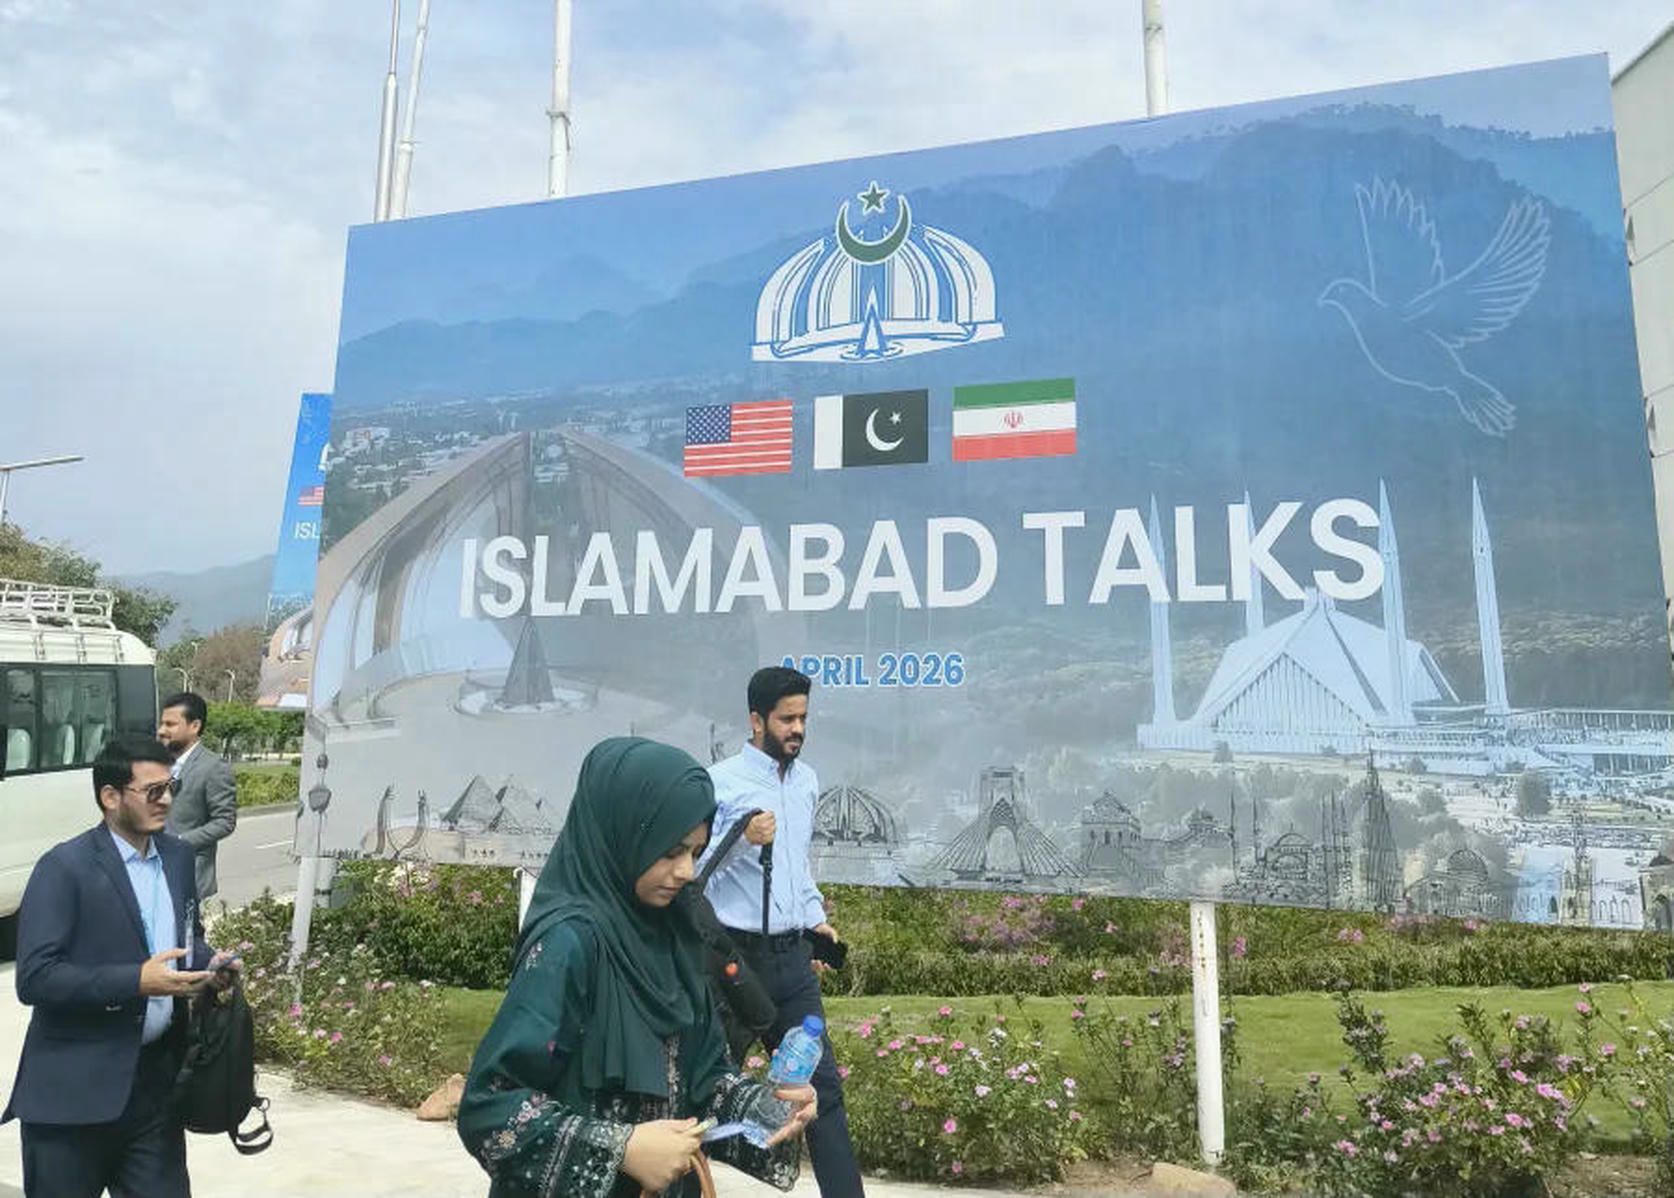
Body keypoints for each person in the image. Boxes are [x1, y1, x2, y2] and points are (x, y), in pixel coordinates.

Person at [458, 737, 815, 1198]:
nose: (687, 871)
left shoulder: (675, 933)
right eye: (670, 852)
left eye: (695, 851)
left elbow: (703, 1076)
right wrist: (619, 1148)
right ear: (623, 837)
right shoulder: (570, 943)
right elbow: (491, 1107)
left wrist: (769, 1111)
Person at [2, 735, 241, 1197]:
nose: (167, 800)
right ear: (110, 797)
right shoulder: (64, 867)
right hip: (72, 1097)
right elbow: (35, 977)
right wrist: (136, 980)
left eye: (170, 786)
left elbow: (184, 938)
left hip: (154, 1094)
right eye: (153, 791)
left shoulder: (177, 858)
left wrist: (210, 963)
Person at [702, 667, 865, 1198]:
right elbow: (691, 870)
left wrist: (814, 915)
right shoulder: (719, 782)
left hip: (793, 964)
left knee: (822, 1092)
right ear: (756, 720)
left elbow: (797, 865)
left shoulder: (807, 781)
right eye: (786, 719)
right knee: (700, 1089)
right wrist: (741, 837)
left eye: (803, 718)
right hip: (732, 962)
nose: (797, 728)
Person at [158, 691, 238, 901]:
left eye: (170, 724)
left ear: (194, 726)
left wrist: (181, 841)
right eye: (162, 723)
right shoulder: (156, 761)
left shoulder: (213, 767)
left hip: (188, 875)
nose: (161, 731)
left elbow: (225, 821)